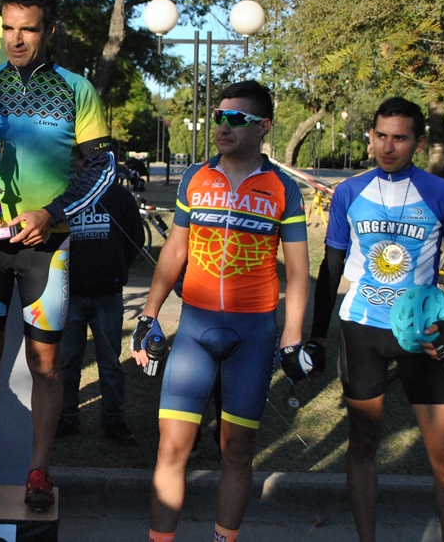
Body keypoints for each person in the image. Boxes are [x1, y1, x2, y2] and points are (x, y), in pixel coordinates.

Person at [0, 0, 115, 511]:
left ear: (49, 31)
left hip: (47, 247)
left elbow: (101, 168)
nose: (16, 39)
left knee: (46, 365)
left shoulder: (76, 89)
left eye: (28, 29)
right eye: (9, 28)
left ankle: (38, 471)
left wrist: (52, 214)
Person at [132, 80, 310, 542]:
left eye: (236, 119)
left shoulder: (283, 188)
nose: (223, 126)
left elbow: (298, 271)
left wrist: (292, 337)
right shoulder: (196, 177)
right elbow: (175, 250)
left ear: (263, 127)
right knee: (171, 449)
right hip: (195, 328)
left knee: (237, 452)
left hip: (253, 335)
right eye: (219, 117)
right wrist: (149, 315)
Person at [307, 96, 444, 542]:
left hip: (420, 334)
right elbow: (331, 268)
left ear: (418, 143)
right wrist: (316, 338)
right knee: (364, 446)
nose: (387, 146)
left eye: (399, 138)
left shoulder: (442, 194)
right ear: (371, 137)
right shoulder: (349, 193)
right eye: (380, 136)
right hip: (361, 330)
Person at [57, 154, 144, 445]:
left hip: (108, 294)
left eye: (92, 160)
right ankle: (66, 418)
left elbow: (136, 238)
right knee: (68, 361)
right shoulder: (64, 195)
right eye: (80, 159)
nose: (84, 164)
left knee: (110, 362)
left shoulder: (119, 196)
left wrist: (117, 269)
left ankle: (114, 420)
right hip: (71, 294)